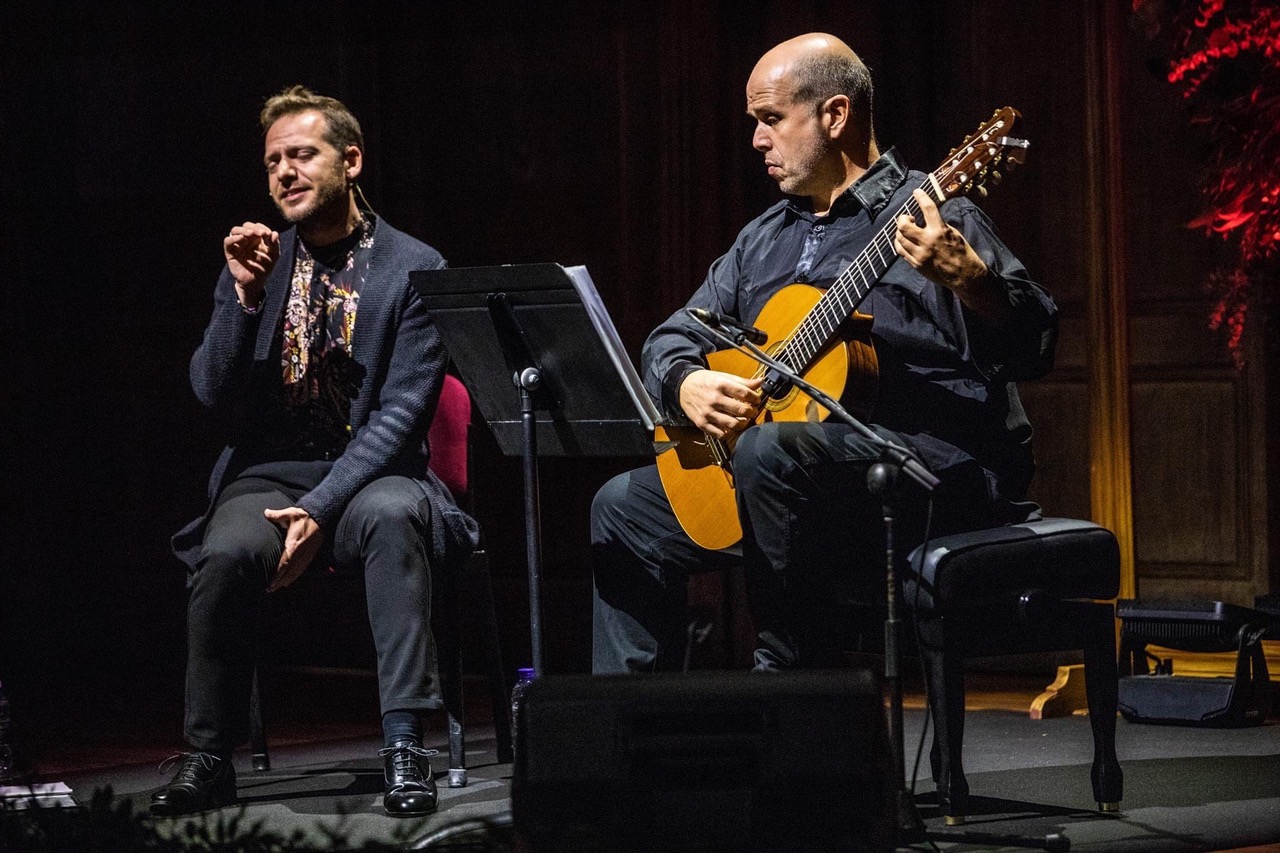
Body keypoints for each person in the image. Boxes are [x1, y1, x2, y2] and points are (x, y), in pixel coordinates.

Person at [591, 34, 1057, 673]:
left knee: (770, 451)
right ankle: (634, 730)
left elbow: (1037, 345)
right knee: (623, 506)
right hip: (792, 472)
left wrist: (972, 282)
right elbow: (674, 333)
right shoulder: (763, 239)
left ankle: (788, 684)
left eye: (771, 119)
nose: (757, 140)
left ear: (834, 116)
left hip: (921, 474)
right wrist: (684, 383)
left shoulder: (936, 214)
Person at [152, 86, 477, 818]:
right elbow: (210, 389)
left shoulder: (413, 267)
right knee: (226, 553)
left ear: (351, 160)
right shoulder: (260, 261)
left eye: (303, 155)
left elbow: (399, 418)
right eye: (273, 162)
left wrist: (319, 510)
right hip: (269, 471)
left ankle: (404, 744)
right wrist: (242, 296)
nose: (285, 174)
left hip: (373, 471)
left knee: (396, 519)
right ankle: (208, 754)